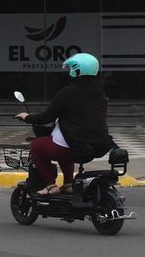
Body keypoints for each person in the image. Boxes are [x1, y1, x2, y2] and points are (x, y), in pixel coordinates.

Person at [15, 52, 112, 196]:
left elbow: (47, 117)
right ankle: (68, 184)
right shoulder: (100, 95)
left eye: (71, 68)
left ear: (77, 70)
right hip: (94, 146)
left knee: (36, 146)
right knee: (65, 146)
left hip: (75, 145)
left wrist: (27, 117)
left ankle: (50, 185)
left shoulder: (68, 93)